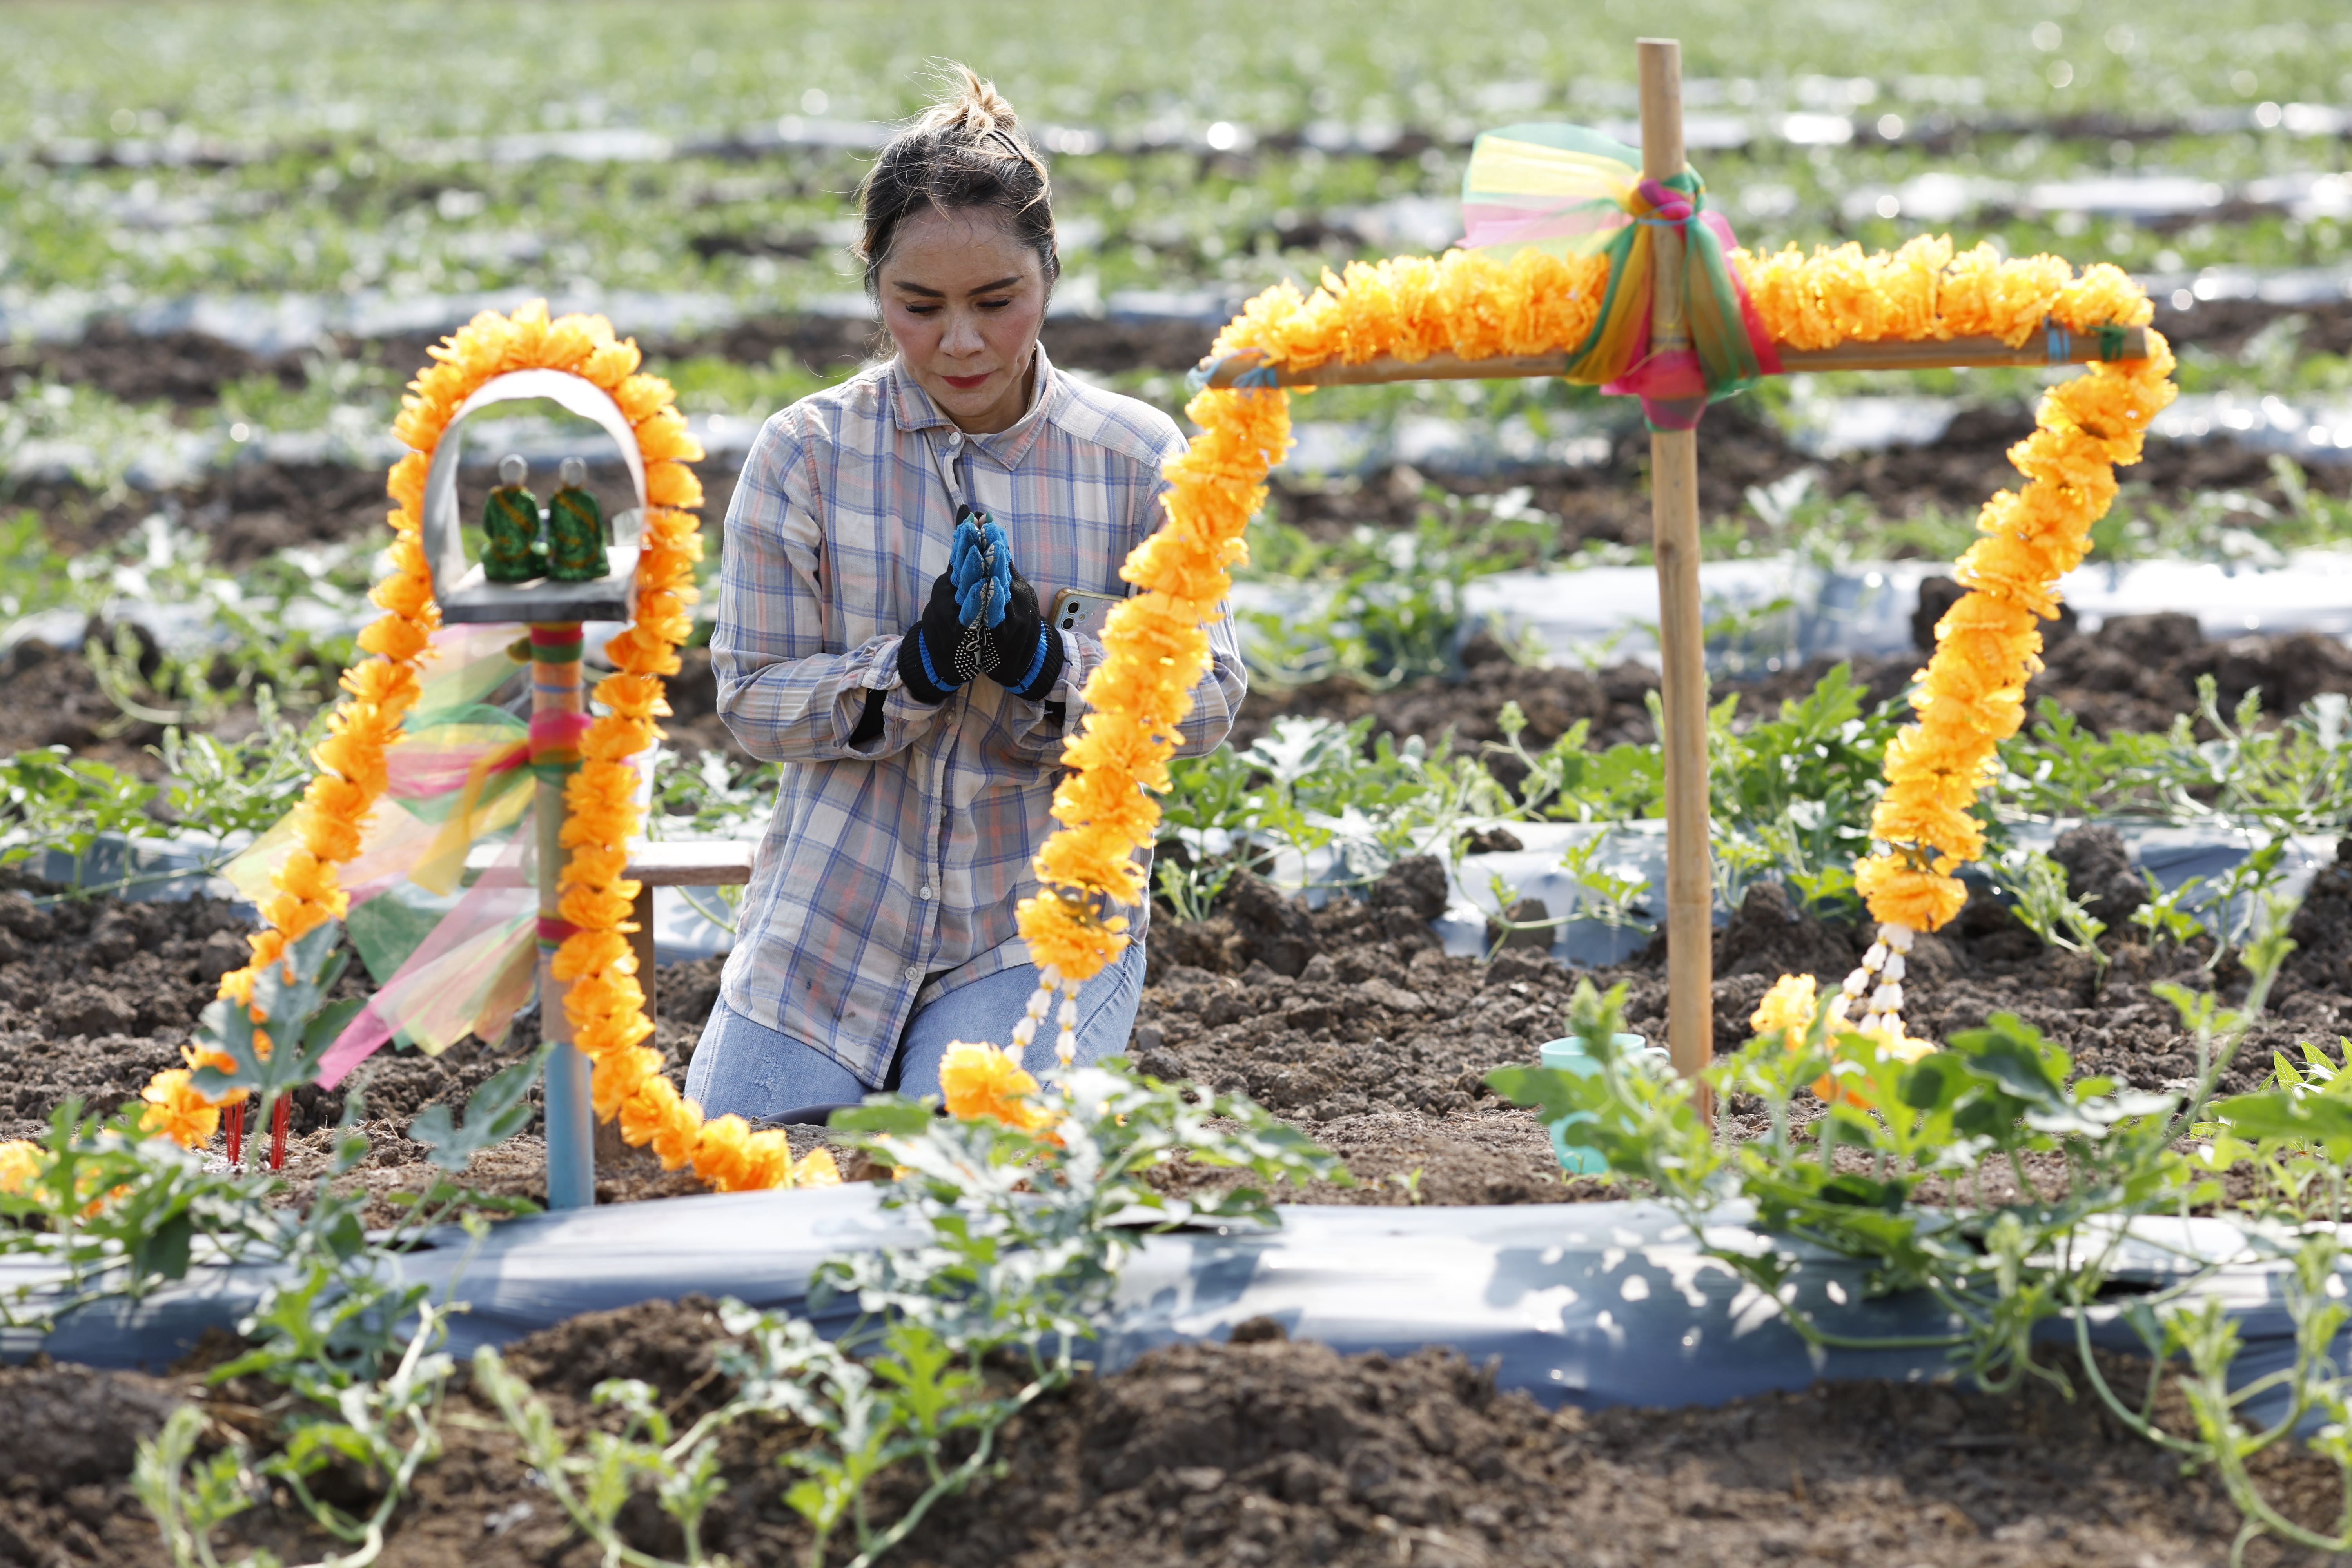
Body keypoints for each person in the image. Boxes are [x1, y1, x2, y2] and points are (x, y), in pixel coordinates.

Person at [685, 66, 1245, 1122]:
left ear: (1050, 277)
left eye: (998, 303)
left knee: (978, 1165)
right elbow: (753, 699)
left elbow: (1207, 696)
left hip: (1035, 914)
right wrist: (911, 669)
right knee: (737, 1176)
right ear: (875, 293)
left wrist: (1049, 668)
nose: (961, 341)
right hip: (830, 917)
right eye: (919, 306)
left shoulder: (1135, 458)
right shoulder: (806, 454)